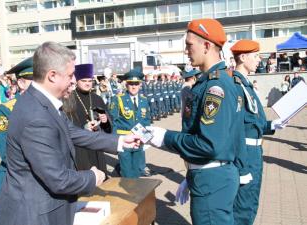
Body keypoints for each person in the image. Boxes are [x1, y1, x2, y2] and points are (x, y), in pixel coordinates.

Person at [0, 42, 140, 225]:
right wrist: (92, 177)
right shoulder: (36, 116)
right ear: (52, 76)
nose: (73, 81)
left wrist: (120, 141)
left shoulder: (43, 103)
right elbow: (58, 179)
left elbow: (74, 133)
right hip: (34, 215)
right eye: (70, 75)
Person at [148, 18, 245, 225]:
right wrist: (192, 173)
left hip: (212, 180)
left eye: (189, 45)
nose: (186, 50)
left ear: (207, 45)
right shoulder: (216, 81)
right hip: (210, 176)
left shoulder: (214, 87)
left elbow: (208, 144)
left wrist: (165, 137)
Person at [230, 39, 285, 225]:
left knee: (251, 203)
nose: (259, 60)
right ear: (243, 57)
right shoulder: (236, 86)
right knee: (243, 208)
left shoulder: (246, 85)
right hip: (245, 155)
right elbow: (235, 129)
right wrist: (242, 166)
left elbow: (253, 122)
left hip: (254, 153)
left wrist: (271, 125)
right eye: (255, 56)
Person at [0, 57, 34, 196]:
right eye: (34, 80)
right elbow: (5, 152)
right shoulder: (6, 110)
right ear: (21, 83)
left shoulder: (46, 107)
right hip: (15, 181)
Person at [63, 63, 111, 175]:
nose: (87, 84)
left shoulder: (97, 98)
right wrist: (83, 128)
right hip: (80, 148)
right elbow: (67, 125)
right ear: (77, 81)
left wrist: (105, 121)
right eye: (84, 81)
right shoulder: (69, 99)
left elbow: (108, 126)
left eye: (90, 81)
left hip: (96, 145)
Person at [109, 68, 151, 178]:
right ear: (126, 85)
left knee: (137, 170)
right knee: (127, 171)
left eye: (136, 84)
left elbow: (146, 119)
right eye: (131, 84)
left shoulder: (144, 100)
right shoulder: (118, 99)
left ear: (140, 85)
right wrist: (116, 140)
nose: (134, 86)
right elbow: (112, 120)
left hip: (139, 140)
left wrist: (146, 137)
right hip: (125, 140)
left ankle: (137, 193)